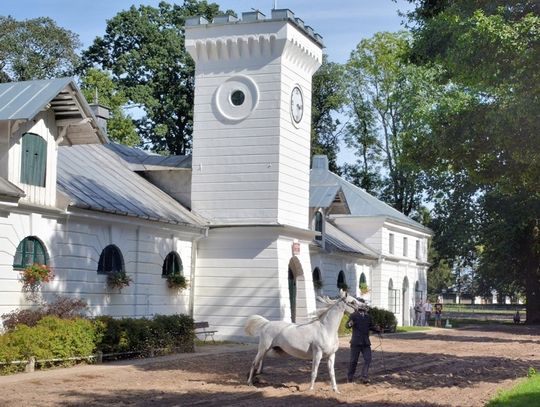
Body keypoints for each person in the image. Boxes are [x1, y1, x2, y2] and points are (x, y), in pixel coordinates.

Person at [347, 304, 380, 384]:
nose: (363, 311)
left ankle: (364, 376)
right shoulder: (353, 316)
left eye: (364, 310)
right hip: (356, 342)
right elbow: (347, 325)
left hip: (365, 342)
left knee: (368, 359)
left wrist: (377, 329)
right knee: (353, 361)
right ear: (359, 309)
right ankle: (350, 378)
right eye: (362, 309)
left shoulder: (368, 317)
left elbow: (371, 326)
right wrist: (349, 324)